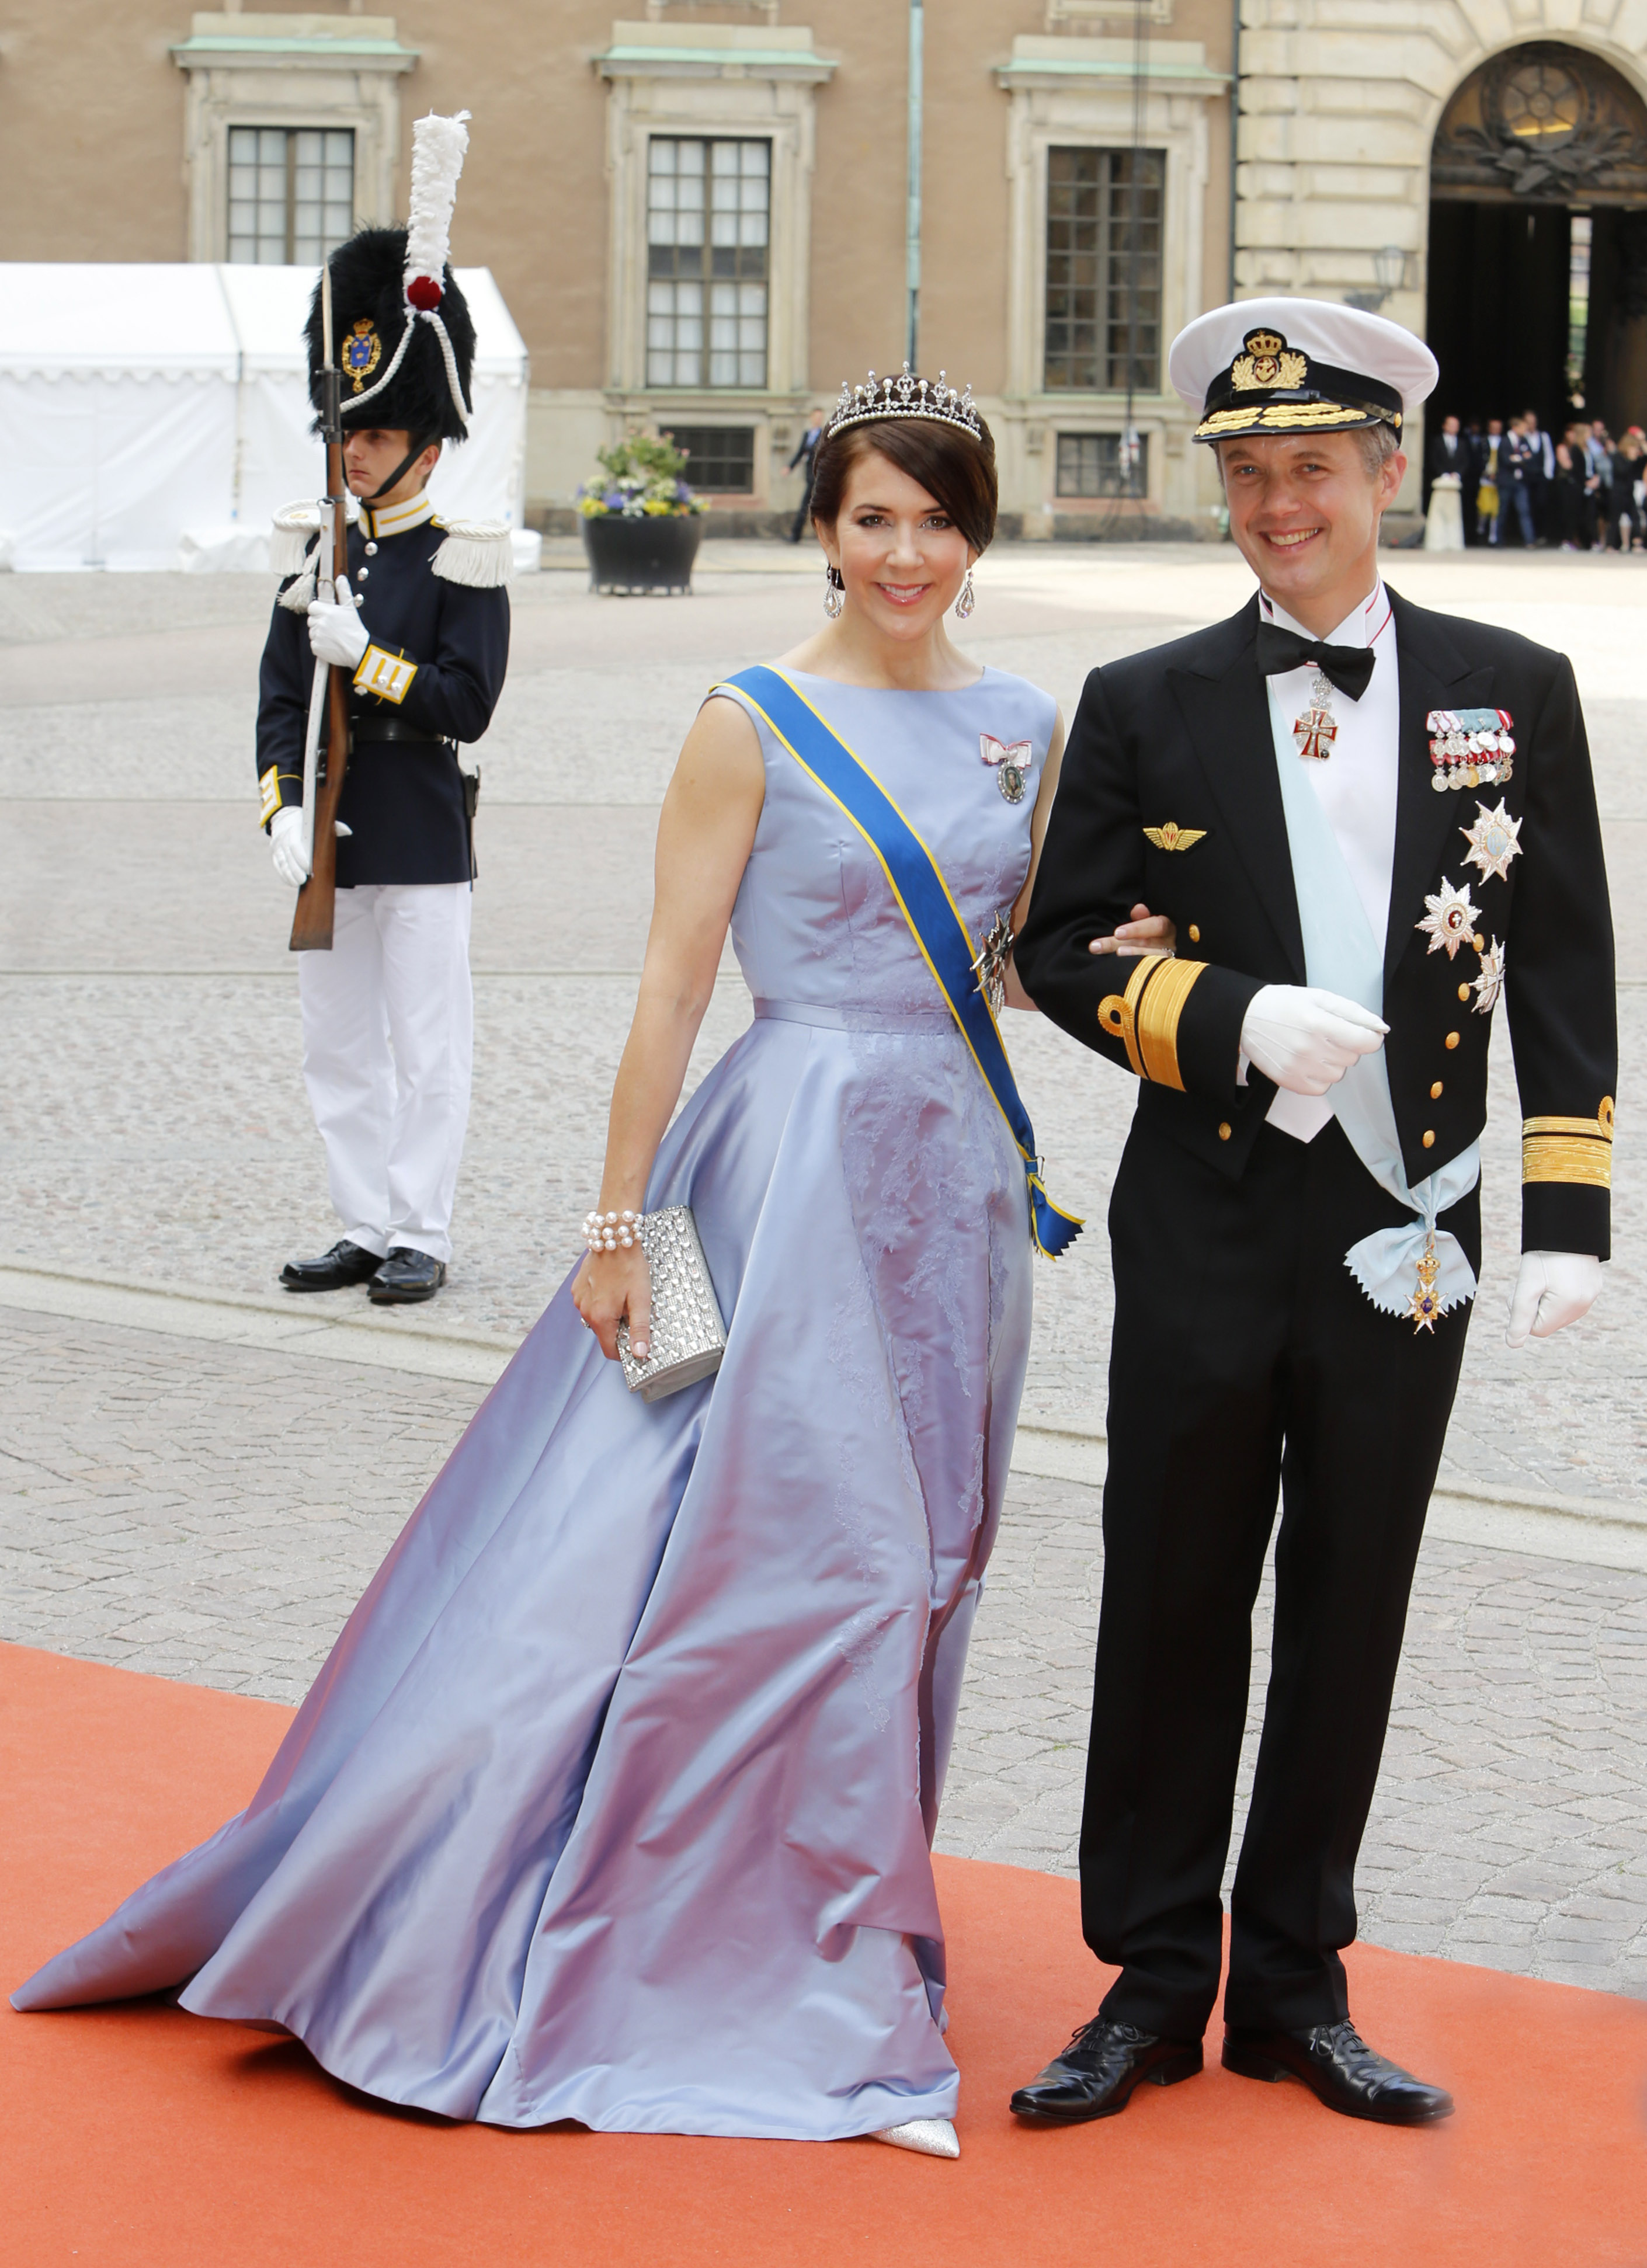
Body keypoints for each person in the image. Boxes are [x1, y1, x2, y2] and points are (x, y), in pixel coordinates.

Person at [14, 362, 1165, 2155]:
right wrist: (618, 1229)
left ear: (974, 533)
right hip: (762, 1178)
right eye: (874, 515)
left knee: (925, 1551)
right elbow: (672, 984)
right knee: (715, 1539)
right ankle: (687, 1927)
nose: (907, 549)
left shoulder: (1028, 716)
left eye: (938, 517)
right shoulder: (748, 714)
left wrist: (1104, 954)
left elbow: (996, 961)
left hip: (951, 1194)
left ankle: (833, 1898)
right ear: (820, 526)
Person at [1009, 297, 1615, 2133]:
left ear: (1385, 472)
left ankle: (1292, 1983)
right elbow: (1048, 945)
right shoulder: (1142, 699)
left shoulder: (1515, 684)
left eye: (1312, 469)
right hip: (1202, 1209)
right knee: (1173, 1590)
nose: (1280, 503)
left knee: (1352, 1599)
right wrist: (1223, 1019)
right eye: (1250, 473)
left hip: (1404, 1222)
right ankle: (1148, 1979)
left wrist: (1571, 1207)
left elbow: (1562, 951)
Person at [264, 121, 511, 1307]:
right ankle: (360, 1219)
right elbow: (274, 703)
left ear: (424, 443)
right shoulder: (309, 554)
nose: (353, 452)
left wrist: (370, 660)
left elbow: (469, 704)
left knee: (427, 1044)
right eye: (345, 434)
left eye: (372, 434)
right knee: (339, 1048)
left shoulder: (467, 562)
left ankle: (422, 1226)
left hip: (418, 828)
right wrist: (279, 805)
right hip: (328, 836)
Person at [1422, 415, 1465, 551]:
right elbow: (1433, 459)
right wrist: (1444, 474)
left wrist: (1457, 474)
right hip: (1440, 480)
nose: (1453, 428)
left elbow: (1466, 461)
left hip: (1455, 482)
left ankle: (1454, 542)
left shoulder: (1463, 443)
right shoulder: (1436, 441)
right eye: (1451, 425)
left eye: (1456, 425)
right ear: (1444, 426)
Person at [787, 403, 826, 541]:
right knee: (806, 505)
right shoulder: (807, 435)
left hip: (818, 475)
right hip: (809, 475)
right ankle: (796, 534)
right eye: (816, 417)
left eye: (820, 417)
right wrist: (790, 467)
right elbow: (800, 453)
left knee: (811, 504)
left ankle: (797, 534)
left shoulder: (823, 435)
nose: (818, 420)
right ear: (811, 418)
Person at [1504, 414, 1540, 547]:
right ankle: (1498, 542)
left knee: (1524, 511)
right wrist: (1521, 459)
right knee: (1502, 511)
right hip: (1507, 481)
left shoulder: (1524, 441)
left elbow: (1531, 457)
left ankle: (1529, 540)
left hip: (1521, 482)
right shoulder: (1505, 441)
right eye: (1523, 428)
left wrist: (1517, 459)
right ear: (1515, 428)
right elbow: (1505, 460)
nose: (1525, 431)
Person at [1473, 416, 1504, 545]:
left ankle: (1493, 537)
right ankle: (1480, 532)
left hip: (1499, 480)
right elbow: (1477, 459)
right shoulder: (1483, 441)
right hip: (1485, 479)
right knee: (1483, 509)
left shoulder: (1504, 441)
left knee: (1495, 511)